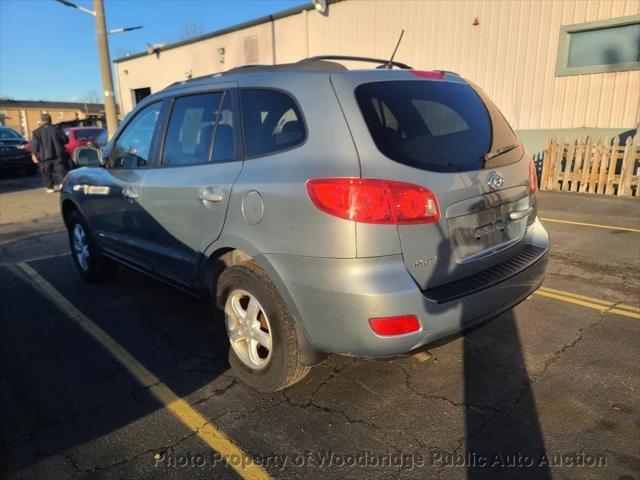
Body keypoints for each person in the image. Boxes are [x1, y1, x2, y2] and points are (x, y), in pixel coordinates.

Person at [31, 113, 68, 193]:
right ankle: (63, 184)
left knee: (46, 173)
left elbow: (34, 144)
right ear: (50, 120)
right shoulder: (57, 129)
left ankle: (50, 187)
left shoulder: (37, 132)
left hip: (44, 157)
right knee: (61, 172)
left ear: (41, 120)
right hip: (57, 155)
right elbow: (65, 140)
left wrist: (34, 154)